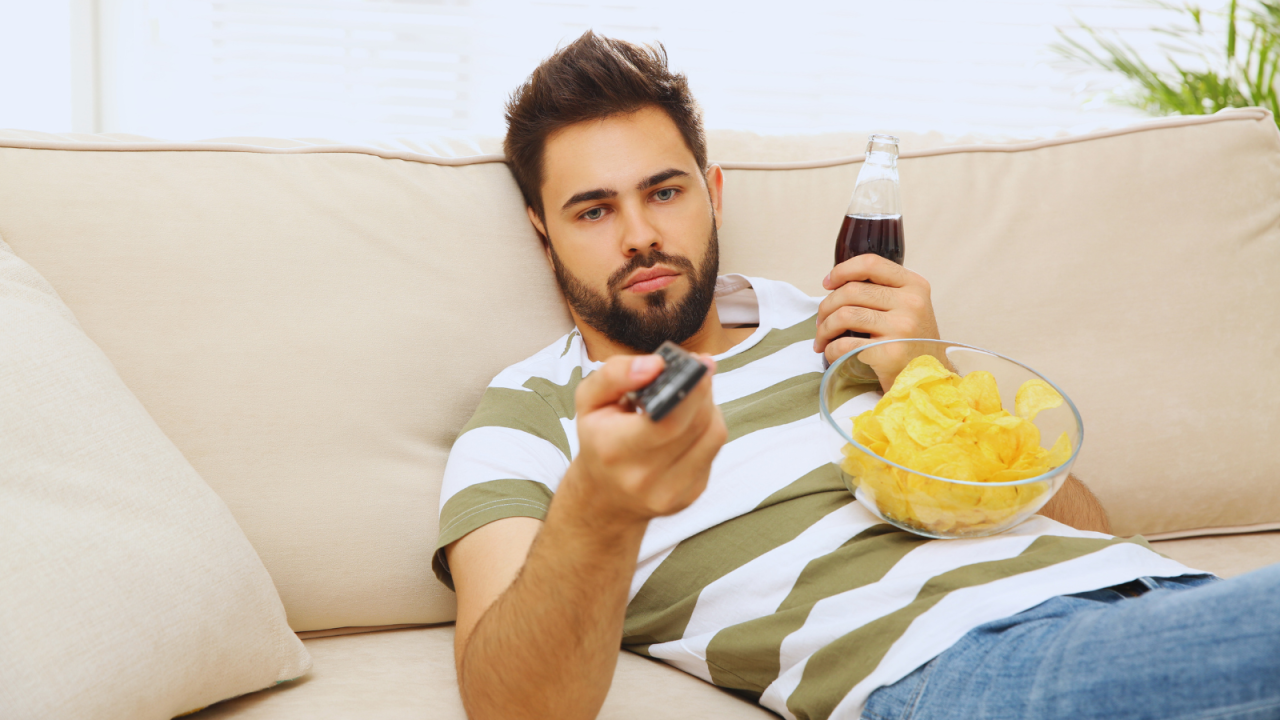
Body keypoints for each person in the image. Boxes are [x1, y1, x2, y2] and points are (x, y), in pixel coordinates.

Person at [433, 31, 1280, 720]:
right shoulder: (529, 418)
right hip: (961, 665)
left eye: (663, 193)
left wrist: (930, 374)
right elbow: (510, 705)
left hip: (1152, 599)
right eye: (593, 210)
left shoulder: (845, 318)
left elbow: (1092, 533)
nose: (640, 236)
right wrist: (602, 505)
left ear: (713, 193)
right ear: (542, 234)